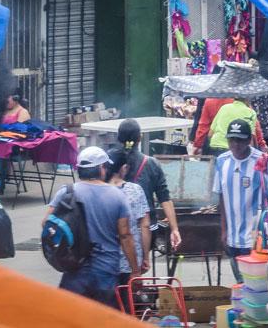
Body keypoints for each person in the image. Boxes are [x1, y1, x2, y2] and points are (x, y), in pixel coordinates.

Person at [45, 146, 139, 308]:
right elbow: (125, 235)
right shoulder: (117, 196)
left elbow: (47, 224)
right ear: (102, 169)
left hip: (74, 268)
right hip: (106, 271)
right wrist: (135, 269)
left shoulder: (67, 193)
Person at [213, 119, 268, 283]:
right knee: (241, 285)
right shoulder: (221, 161)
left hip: (257, 238)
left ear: (249, 140)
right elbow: (221, 196)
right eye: (231, 139)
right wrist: (224, 230)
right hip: (232, 237)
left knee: (257, 284)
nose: (235, 144)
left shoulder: (262, 161)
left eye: (240, 140)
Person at [110, 119, 182, 252]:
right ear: (140, 138)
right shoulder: (151, 164)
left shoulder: (109, 161)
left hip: (114, 229)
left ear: (118, 138)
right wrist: (174, 229)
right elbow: (164, 198)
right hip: (146, 232)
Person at [106, 150, 152, 295]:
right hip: (130, 263)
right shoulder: (135, 190)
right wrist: (145, 258)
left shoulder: (99, 190)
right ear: (124, 168)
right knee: (127, 306)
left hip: (104, 262)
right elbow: (144, 225)